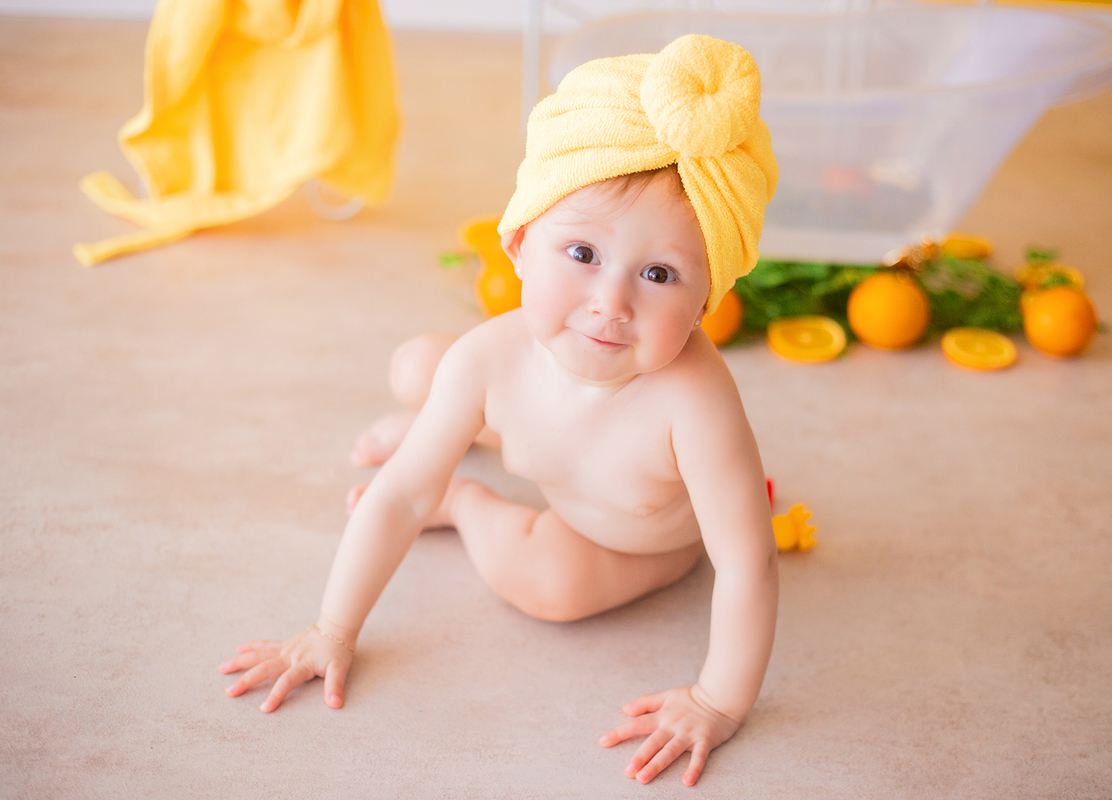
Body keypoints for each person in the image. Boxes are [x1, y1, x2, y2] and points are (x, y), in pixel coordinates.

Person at [219, 33, 780, 787]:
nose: (609, 304)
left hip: (631, 538)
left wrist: (717, 701)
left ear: (706, 301)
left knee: (551, 584)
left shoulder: (694, 406)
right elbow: (395, 495)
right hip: (546, 442)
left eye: (659, 273)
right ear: (517, 241)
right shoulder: (491, 355)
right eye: (581, 254)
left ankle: (469, 500)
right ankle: (443, 437)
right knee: (422, 364)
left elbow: (747, 562)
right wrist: (332, 628)